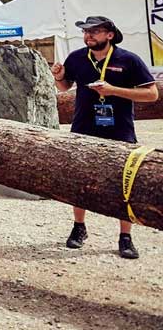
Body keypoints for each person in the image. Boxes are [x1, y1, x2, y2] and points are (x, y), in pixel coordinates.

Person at [51, 16, 158, 259]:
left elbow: (151, 94)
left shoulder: (128, 59)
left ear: (109, 34)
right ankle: (79, 228)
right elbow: (65, 87)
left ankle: (125, 237)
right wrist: (58, 76)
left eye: (95, 31)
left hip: (119, 131)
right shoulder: (77, 57)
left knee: (124, 185)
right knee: (80, 181)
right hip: (83, 128)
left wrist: (113, 91)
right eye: (86, 32)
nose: (88, 36)